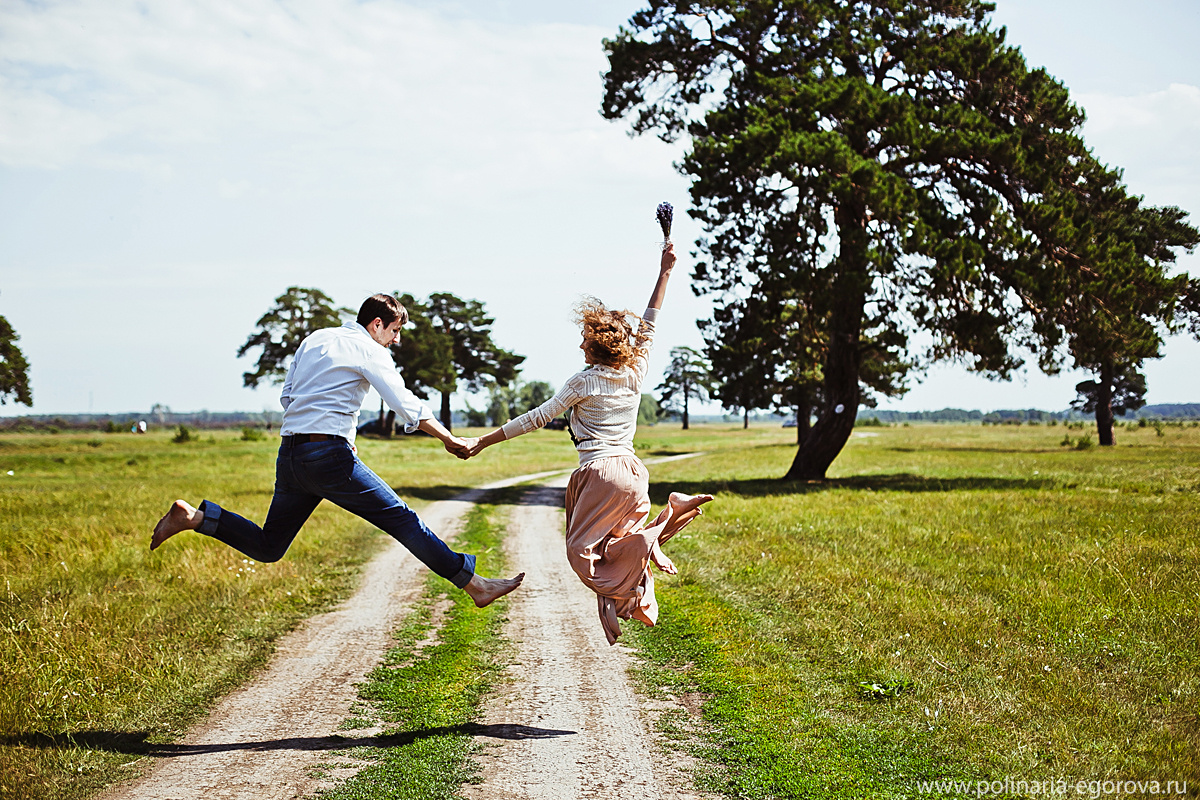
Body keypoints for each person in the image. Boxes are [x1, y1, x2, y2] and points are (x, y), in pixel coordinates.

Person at [151, 293, 523, 607]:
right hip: (329, 459)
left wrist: (334, 429)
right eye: (394, 331)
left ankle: (195, 518)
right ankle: (475, 584)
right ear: (377, 324)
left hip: (291, 455)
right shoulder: (367, 348)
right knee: (403, 520)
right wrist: (448, 438)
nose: (396, 341)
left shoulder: (315, 339)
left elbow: (287, 396)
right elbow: (405, 402)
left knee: (269, 545)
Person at [461, 244, 712, 643]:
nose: (580, 346)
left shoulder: (584, 381)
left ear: (596, 347)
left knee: (580, 553)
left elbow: (535, 418)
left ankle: (658, 532)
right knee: (612, 545)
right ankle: (625, 592)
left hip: (601, 473)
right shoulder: (636, 369)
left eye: (585, 341)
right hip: (633, 474)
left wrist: (481, 441)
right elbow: (650, 323)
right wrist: (665, 272)